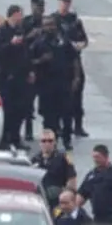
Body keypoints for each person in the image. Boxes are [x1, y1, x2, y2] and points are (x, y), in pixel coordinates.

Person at [31, 15, 81, 150]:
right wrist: (41, 60)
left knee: (67, 113)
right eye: (46, 25)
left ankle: (66, 139)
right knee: (48, 116)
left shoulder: (63, 41)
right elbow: (29, 62)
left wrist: (76, 77)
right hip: (46, 85)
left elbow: (74, 59)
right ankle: (50, 142)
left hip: (64, 83)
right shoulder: (38, 43)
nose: (49, 28)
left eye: (51, 24)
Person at [0, 5, 32, 149]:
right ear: (12, 15)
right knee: (7, 109)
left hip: (20, 77)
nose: (20, 18)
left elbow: (26, 53)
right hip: (6, 77)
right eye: (18, 15)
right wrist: (10, 44)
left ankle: (16, 137)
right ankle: (4, 138)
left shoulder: (20, 31)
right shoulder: (2, 32)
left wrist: (30, 71)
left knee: (21, 108)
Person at [52, 0, 89, 137]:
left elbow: (84, 39)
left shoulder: (75, 21)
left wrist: (80, 45)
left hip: (74, 60)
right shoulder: (53, 20)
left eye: (67, 3)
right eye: (63, 3)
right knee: (60, 96)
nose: (65, 6)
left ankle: (78, 126)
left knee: (77, 94)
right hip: (60, 60)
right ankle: (59, 126)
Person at [31, 129, 77, 208]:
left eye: (50, 141)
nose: (47, 143)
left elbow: (72, 180)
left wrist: (67, 196)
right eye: (44, 141)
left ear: (55, 142)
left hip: (58, 201)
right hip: (39, 200)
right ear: (40, 143)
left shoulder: (63, 158)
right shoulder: (34, 160)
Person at [22, 0, 46, 141]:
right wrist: (31, 35)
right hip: (31, 65)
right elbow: (21, 41)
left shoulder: (48, 22)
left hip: (45, 68)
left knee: (46, 102)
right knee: (28, 101)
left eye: (41, 7)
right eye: (37, 6)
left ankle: (48, 131)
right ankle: (29, 130)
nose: (39, 9)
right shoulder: (26, 22)